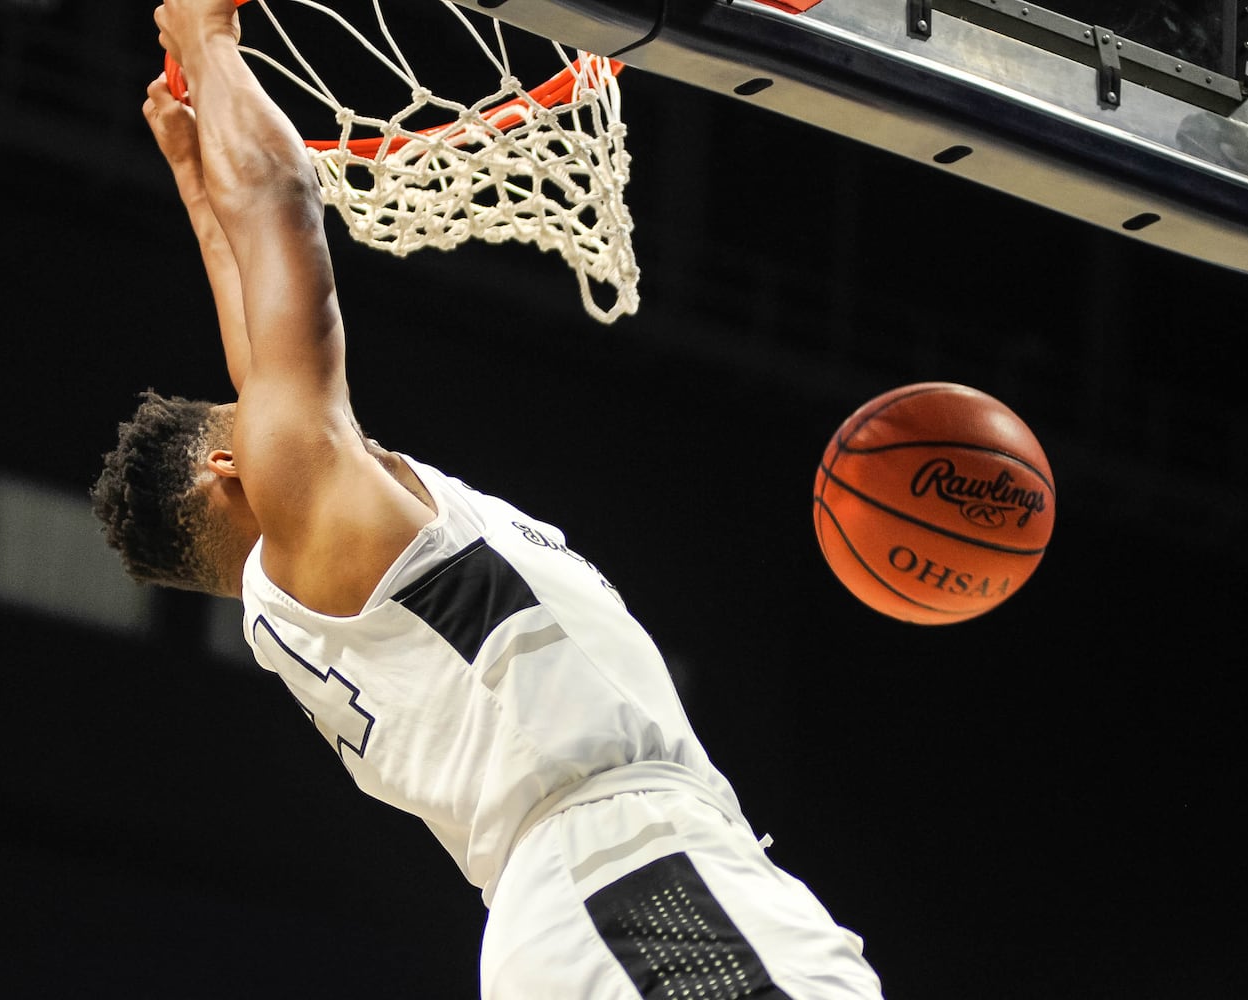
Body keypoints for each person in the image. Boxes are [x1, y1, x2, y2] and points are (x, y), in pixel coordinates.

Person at [92, 2, 887, 996]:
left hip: (606, 890)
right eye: (248, 420)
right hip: (633, 881)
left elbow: (251, 306)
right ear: (233, 469)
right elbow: (282, 209)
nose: (270, 405)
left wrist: (188, 164)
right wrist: (208, 38)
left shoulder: (322, 569)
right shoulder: (312, 503)